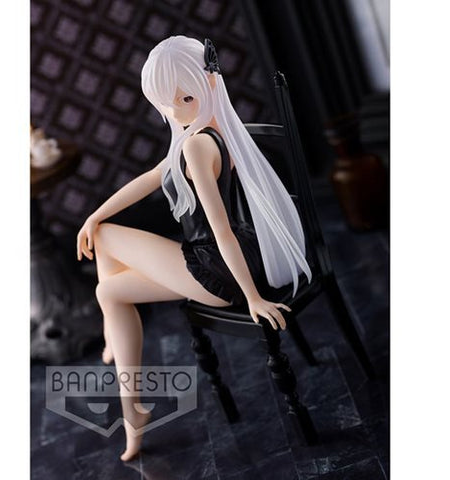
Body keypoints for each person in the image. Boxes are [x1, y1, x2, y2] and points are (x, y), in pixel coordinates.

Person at [76, 35, 311, 462]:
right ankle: (132, 403)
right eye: (166, 103)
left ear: (208, 84)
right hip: (225, 260)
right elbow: (151, 177)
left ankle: (125, 377)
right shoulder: (210, 129)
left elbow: (221, 231)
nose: (174, 111)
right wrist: (94, 213)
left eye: (184, 98)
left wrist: (253, 298)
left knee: (105, 236)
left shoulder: (198, 146)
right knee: (107, 290)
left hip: (215, 269)